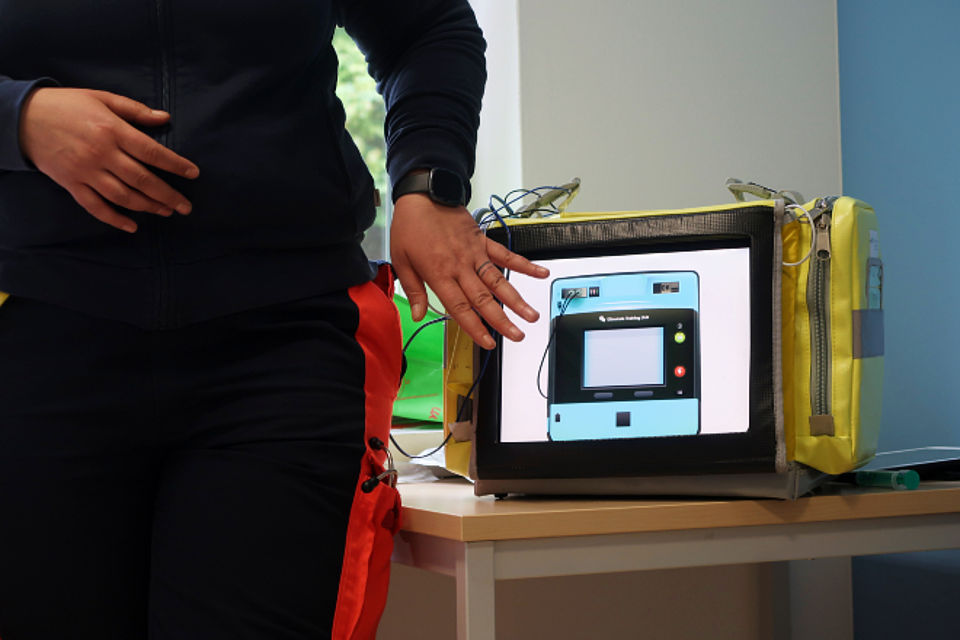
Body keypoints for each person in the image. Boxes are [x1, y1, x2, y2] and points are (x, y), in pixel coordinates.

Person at [0, 1, 547, 638]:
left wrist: (427, 183)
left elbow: (427, 27)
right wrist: (19, 118)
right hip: (35, 333)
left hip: (282, 350)